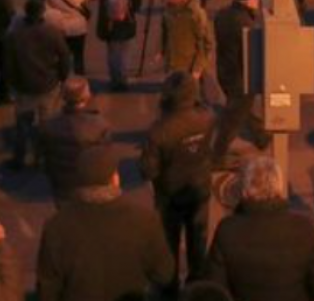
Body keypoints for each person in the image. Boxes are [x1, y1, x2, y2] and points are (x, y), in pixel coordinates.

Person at [37, 145, 175, 301]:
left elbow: (47, 290)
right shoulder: (145, 220)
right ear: (115, 178)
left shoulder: (56, 227)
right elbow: (164, 273)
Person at [207, 156, 314, 301]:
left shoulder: (227, 230)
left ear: (245, 191)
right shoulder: (303, 229)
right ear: (280, 189)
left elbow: (215, 289)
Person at [140, 70, 216, 296]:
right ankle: (196, 284)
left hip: (170, 194)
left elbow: (148, 169)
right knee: (198, 240)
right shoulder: (208, 117)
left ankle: (169, 287)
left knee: (169, 243)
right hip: (200, 186)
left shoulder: (160, 129)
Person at [5, 0, 71, 169]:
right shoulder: (52, 32)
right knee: (47, 122)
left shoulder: (15, 35)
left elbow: (8, 64)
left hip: (24, 85)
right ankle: (43, 157)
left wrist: (12, 83)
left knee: (22, 124)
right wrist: (63, 76)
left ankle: (19, 157)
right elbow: (64, 55)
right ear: (42, 12)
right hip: (48, 83)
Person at [212, 0, 269, 164]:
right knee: (232, 120)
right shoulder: (246, 24)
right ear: (248, 0)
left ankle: (260, 135)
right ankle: (217, 156)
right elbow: (250, 57)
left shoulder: (222, 15)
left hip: (224, 71)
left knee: (240, 108)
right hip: (240, 78)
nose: (258, 3)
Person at [38, 76, 110, 205]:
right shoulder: (99, 125)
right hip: (90, 186)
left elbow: (44, 158)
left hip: (62, 187)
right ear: (87, 95)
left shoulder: (49, 126)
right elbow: (105, 160)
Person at [93, 0, 141, 91]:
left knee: (112, 51)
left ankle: (115, 80)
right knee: (124, 51)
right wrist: (132, 10)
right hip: (127, 19)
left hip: (108, 20)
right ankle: (123, 79)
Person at [163, 0, 214, 82]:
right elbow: (165, 32)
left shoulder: (196, 14)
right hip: (173, 67)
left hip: (191, 70)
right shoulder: (168, 11)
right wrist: (162, 50)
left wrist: (197, 69)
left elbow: (205, 44)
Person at [45, 0, 91, 76]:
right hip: (78, 29)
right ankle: (79, 82)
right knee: (78, 56)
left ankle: (63, 78)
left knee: (61, 55)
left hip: (59, 27)